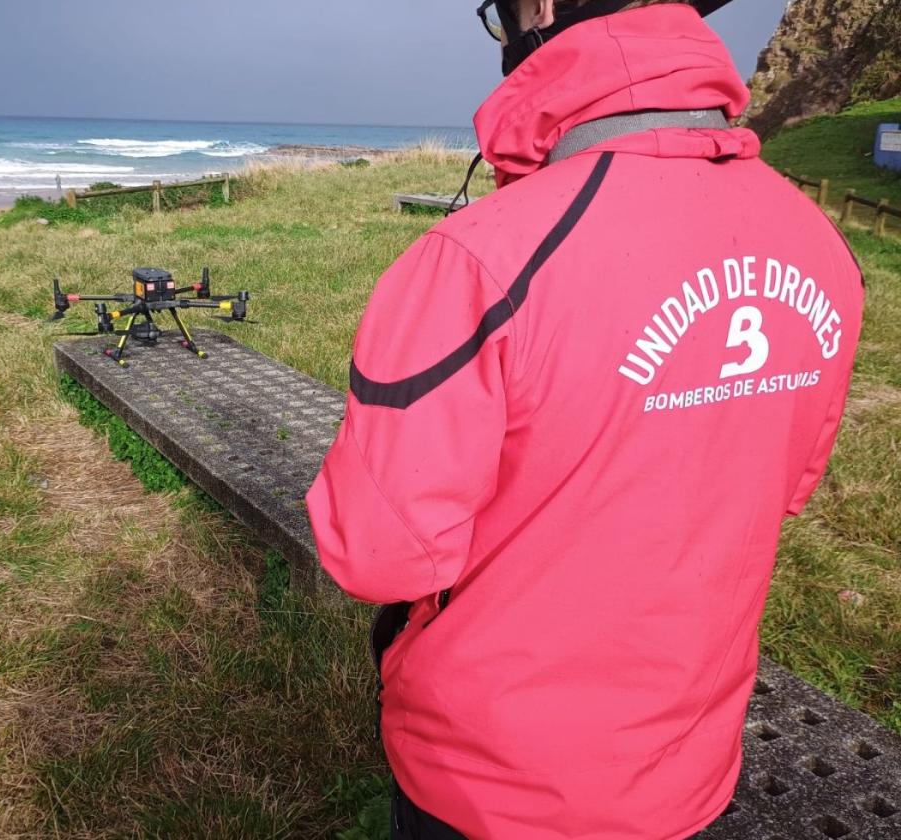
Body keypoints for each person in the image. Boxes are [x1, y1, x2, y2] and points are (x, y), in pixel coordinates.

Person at [304, 1, 865, 838]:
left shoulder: (476, 260)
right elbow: (781, 487)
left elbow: (376, 556)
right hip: (691, 765)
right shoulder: (818, 240)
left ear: (543, 9)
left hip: (489, 786)